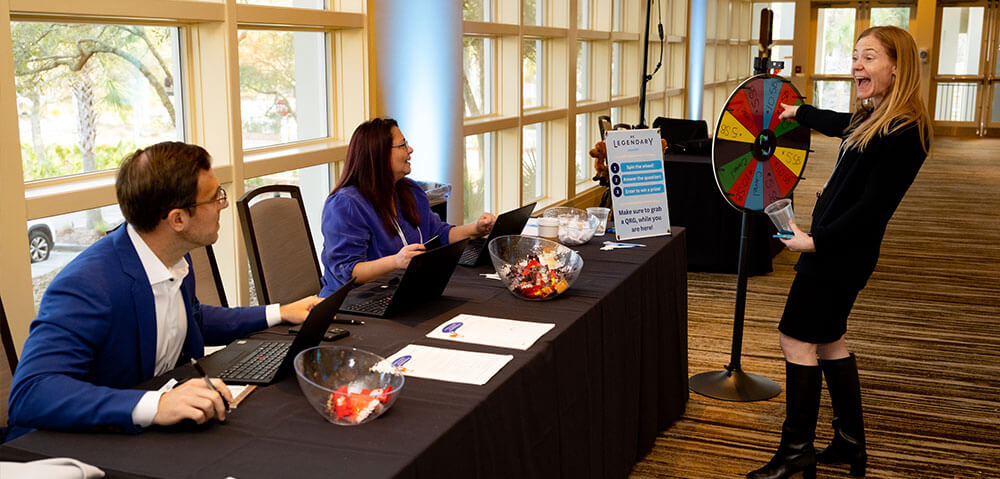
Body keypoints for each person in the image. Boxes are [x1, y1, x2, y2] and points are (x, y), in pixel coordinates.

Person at [6, 142, 322, 441]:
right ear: (178, 219)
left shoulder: (172, 255)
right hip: (82, 443)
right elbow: (31, 393)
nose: (222, 205)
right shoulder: (88, 285)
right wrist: (155, 405)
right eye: (215, 198)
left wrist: (277, 312)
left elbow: (190, 319)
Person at [747, 26, 931, 479]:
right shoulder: (879, 117)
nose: (856, 66)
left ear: (897, 65)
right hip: (842, 250)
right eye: (854, 56)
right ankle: (850, 441)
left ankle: (796, 451)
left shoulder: (905, 132)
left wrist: (816, 242)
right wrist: (799, 112)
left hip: (839, 253)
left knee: (795, 336)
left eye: (868, 57)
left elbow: (874, 209)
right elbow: (840, 124)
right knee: (829, 341)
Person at [319, 118, 495, 296]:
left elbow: (440, 233)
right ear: (380, 153)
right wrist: (396, 262)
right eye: (403, 145)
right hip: (354, 301)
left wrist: (477, 229)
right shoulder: (345, 204)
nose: (410, 150)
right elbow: (349, 271)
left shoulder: (409, 190)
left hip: (403, 291)